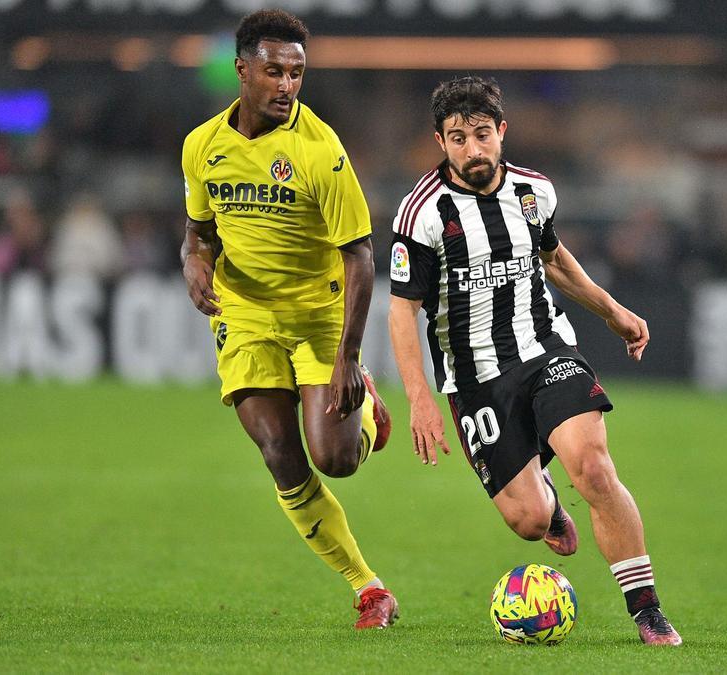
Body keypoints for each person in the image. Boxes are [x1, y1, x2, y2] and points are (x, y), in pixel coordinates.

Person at [387, 76, 682, 646]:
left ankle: (647, 610)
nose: (472, 149)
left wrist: (611, 311)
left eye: (480, 134)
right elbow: (403, 313)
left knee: (594, 468)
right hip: (473, 380)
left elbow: (553, 259)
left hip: (546, 350)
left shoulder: (534, 192)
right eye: (457, 138)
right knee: (526, 521)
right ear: (439, 142)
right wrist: (420, 399)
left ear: (501, 131)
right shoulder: (421, 213)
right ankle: (547, 505)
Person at [179, 10, 398, 628]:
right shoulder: (202, 146)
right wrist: (193, 264)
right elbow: (198, 232)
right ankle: (369, 589)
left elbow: (360, 256)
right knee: (279, 451)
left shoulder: (320, 150)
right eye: (273, 71)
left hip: (320, 315)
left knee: (335, 460)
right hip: (245, 313)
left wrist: (349, 357)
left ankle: (363, 411)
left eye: (297, 73)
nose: (286, 85)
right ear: (242, 70)